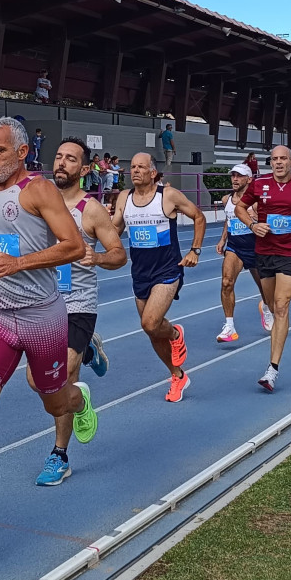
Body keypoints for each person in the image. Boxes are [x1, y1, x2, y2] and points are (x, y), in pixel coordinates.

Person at [0, 117, 98, 555]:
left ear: (22, 152)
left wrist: (17, 266)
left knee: (54, 400)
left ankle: (78, 398)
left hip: (42, 317)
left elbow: (72, 247)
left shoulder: (39, 191)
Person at [34, 136, 127, 486]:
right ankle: (84, 381)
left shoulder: (90, 210)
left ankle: (59, 455)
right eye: (58, 157)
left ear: (85, 169)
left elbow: (119, 254)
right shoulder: (37, 203)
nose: (62, 163)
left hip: (77, 305)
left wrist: (98, 256)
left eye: (71, 159)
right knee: (37, 382)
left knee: (63, 377)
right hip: (41, 305)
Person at [112, 152, 206, 402]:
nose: (135, 171)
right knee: (152, 332)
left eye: (141, 167)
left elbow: (199, 216)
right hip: (140, 272)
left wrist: (195, 250)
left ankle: (175, 334)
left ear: (153, 172)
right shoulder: (124, 198)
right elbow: (114, 230)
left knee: (151, 323)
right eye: (132, 166)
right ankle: (177, 376)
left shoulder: (168, 196)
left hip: (167, 269)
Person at [233, 145, 291, 393]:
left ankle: (272, 370)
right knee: (271, 304)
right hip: (264, 251)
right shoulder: (259, 184)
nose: (279, 163)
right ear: (270, 163)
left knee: (281, 307)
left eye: (283, 159)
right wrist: (252, 225)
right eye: (274, 159)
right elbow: (240, 207)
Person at [216, 164, 272, 342]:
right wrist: (223, 239)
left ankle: (267, 308)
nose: (234, 179)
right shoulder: (227, 199)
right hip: (235, 247)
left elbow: (269, 223)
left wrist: (258, 220)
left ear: (249, 179)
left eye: (239, 176)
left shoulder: (256, 202)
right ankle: (229, 326)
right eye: (233, 175)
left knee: (264, 288)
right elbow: (229, 219)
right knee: (226, 283)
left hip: (255, 247)